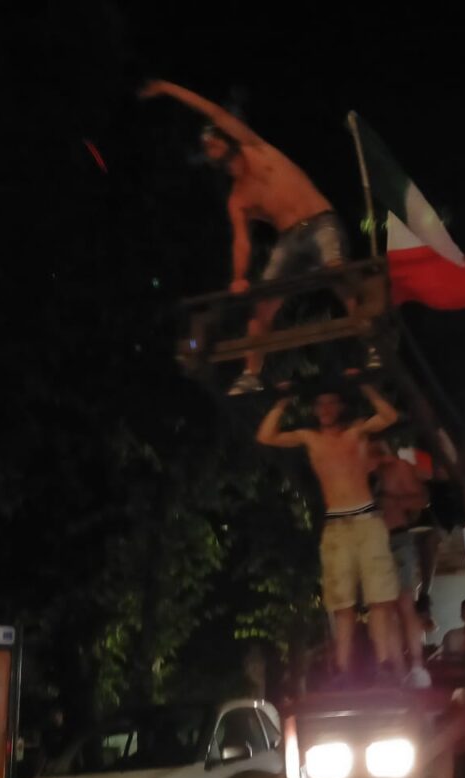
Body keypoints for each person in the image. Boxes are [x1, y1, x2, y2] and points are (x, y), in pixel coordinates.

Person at [139, 79, 356, 395]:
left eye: (212, 141)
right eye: (206, 147)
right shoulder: (237, 198)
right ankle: (252, 372)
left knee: (337, 271)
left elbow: (213, 111)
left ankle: (369, 340)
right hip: (289, 239)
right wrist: (239, 277)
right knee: (261, 306)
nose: (210, 148)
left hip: (320, 221)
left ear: (226, 138)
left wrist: (168, 88)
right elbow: (241, 241)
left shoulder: (256, 148)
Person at [256, 384, 402, 685]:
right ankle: (343, 669)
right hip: (336, 525)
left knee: (379, 597)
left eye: (331, 403)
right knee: (341, 602)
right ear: (313, 409)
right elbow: (265, 436)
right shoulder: (310, 437)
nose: (325, 409)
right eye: (320, 404)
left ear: (341, 406)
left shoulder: (357, 430)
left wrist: (367, 386)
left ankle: (385, 664)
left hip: (366, 519)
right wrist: (282, 402)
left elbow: (389, 416)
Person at [369, 437, 432, 687]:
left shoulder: (398, 468)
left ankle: (416, 665)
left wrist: (394, 501)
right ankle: (398, 669)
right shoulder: (363, 470)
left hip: (396, 537)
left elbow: (422, 499)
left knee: (404, 602)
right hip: (372, 543)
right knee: (385, 609)